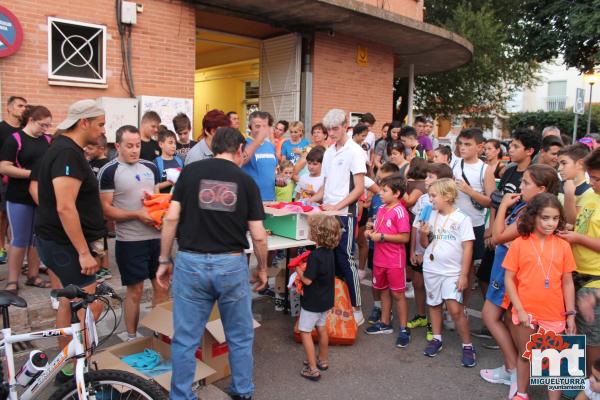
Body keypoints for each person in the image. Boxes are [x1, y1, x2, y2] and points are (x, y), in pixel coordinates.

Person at [155, 127, 268, 400]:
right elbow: (259, 235)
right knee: (239, 336)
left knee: (185, 339)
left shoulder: (189, 173)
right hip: (230, 264)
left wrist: (163, 259)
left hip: (190, 262)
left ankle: (181, 395)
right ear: (240, 150)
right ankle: (242, 392)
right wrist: (262, 268)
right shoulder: (246, 181)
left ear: (213, 146)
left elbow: (170, 219)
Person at [34, 99, 106, 382]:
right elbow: (65, 206)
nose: (103, 130)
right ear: (84, 122)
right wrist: (83, 252)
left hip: (57, 242)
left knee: (68, 299)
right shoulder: (67, 154)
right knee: (92, 304)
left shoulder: (64, 149)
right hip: (64, 245)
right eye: (100, 124)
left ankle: (66, 363)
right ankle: (78, 368)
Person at [480, 164, 560, 398]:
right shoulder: (526, 206)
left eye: (526, 183)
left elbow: (497, 237)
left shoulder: (530, 213)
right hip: (504, 267)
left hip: (511, 272)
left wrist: (503, 206)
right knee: (506, 319)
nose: (520, 186)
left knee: (492, 316)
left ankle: (513, 370)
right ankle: (513, 370)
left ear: (541, 188)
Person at [98, 125, 168, 340]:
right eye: (129, 146)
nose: (134, 150)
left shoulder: (150, 167)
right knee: (135, 290)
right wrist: (137, 214)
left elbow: (156, 199)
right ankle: (131, 336)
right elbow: (106, 209)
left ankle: (161, 333)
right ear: (117, 146)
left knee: (162, 286)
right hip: (130, 240)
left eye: (137, 145)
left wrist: (157, 211)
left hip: (156, 238)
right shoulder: (109, 171)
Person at [504, 193, 576, 400]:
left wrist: (570, 314)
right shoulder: (520, 243)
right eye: (545, 218)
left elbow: (567, 281)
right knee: (525, 355)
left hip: (554, 312)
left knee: (553, 360)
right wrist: (519, 308)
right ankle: (521, 393)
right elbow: (509, 279)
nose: (550, 223)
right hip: (524, 311)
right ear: (533, 217)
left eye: (555, 218)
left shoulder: (563, 246)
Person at [309, 108, 366, 325]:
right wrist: (311, 200)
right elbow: (326, 186)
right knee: (327, 259)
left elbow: (359, 188)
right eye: (328, 129)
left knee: (345, 259)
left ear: (345, 127)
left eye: (335, 128)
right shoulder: (329, 152)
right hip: (327, 213)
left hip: (344, 214)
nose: (331, 133)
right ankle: (333, 304)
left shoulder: (355, 151)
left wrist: (337, 206)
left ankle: (357, 307)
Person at [417, 178, 476, 367]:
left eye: (433, 196)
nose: (430, 199)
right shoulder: (430, 215)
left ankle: (467, 345)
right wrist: (423, 232)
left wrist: (464, 275)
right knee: (433, 304)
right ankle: (436, 338)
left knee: (454, 308)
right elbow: (425, 244)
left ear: (448, 196)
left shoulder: (462, 219)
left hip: (452, 271)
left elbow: (468, 248)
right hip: (431, 268)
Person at [0, 105, 52, 293]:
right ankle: (12, 280)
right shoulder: (15, 140)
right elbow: (4, 167)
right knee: (19, 239)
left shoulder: (47, 140)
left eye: (48, 126)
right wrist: (32, 174)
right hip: (18, 197)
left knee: (36, 239)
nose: (46, 129)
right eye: (42, 125)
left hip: (40, 196)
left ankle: (33, 275)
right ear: (31, 120)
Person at [558, 147, 600, 378]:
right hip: (575, 271)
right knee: (571, 329)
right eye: (591, 177)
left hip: (596, 278)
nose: (592, 182)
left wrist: (577, 237)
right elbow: (579, 224)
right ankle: (574, 384)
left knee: (591, 337)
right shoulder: (591, 195)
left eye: (597, 178)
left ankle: (592, 384)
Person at [408, 163, 454, 341]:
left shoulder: (445, 205)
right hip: (419, 251)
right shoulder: (423, 200)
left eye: (430, 177)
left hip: (434, 254)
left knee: (433, 289)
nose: (426, 180)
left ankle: (433, 323)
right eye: (426, 176)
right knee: (418, 284)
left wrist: (424, 250)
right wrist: (413, 250)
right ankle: (421, 315)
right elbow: (415, 226)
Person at [364, 175, 411, 347]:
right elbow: (376, 228)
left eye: (385, 190)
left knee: (398, 294)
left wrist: (382, 236)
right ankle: (385, 323)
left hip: (394, 260)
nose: (380, 193)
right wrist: (369, 231)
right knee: (382, 290)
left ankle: (404, 328)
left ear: (397, 193)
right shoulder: (382, 208)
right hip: (379, 258)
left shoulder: (400, 211)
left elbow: (405, 237)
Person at [452, 128, 496, 306]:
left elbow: (491, 201)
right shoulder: (454, 164)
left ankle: (462, 305)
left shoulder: (485, 170)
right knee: (452, 263)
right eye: (460, 144)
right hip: (452, 222)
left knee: (468, 268)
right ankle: (451, 302)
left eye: (467, 144)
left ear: (480, 147)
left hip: (473, 224)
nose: (463, 148)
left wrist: (469, 191)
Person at [296, 214, 341, 381]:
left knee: (305, 331)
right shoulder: (330, 252)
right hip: (325, 299)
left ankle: (312, 368)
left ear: (316, 234)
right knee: (321, 328)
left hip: (312, 301)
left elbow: (307, 280)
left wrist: (297, 270)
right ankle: (323, 360)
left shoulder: (315, 255)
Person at [365, 162, 400, 324]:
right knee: (376, 279)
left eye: (385, 182)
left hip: (391, 252)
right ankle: (377, 306)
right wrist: (369, 226)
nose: (381, 186)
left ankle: (390, 314)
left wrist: (383, 236)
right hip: (375, 247)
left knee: (393, 288)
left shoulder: (399, 204)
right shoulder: (377, 199)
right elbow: (372, 217)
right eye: (380, 181)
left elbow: (402, 232)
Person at [0, 96, 27, 264]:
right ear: (9, 108)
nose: (23, 109)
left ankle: (18, 253)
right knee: (2, 214)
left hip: (22, 180)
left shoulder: (25, 130)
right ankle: (1, 248)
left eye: (25, 106)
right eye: (19, 105)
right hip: (2, 179)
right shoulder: (1, 129)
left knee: (17, 217)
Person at [84, 135, 111, 282]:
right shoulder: (90, 162)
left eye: (90, 148)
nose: (87, 150)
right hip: (91, 207)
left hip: (100, 208)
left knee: (101, 239)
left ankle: (104, 268)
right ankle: (101, 267)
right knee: (97, 239)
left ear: (101, 148)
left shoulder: (105, 165)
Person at [242, 111, 278, 201]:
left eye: (264, 126)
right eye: (257, 126)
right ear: (250, 127)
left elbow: (273, 170)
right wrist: (258, 140)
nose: (261, 130)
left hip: (270, 197)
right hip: (251, 199)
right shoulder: (244, 144)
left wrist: (279, 179)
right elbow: (242, 160)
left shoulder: (270, 145)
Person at [557, 143, 593, 225]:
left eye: (564, 163)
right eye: (559, 164)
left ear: (580, 164)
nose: (559, 169)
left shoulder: (589, 191)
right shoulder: (558, 185)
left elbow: (574, 224)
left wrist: (569, 195)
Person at [154, 129, 183, 194]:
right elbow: (154, 186)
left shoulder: (179, 160)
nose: (173, 146)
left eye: (175, 143)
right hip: (164, 201)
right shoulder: (156, 163)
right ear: (161, 144)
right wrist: (171, 181)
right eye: (170, 143)